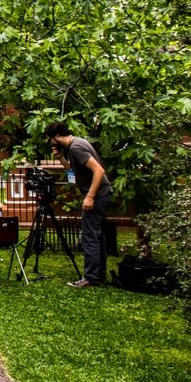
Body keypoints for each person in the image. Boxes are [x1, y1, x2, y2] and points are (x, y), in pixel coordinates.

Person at [44, 121, 112, 288]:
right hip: (103, 194)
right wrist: (61, 158)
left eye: (51, 139)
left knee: (90, 236)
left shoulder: (76, 148)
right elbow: (73, 172)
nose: (51, 142)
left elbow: (99, 171)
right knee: (97, 236)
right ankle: (98, 275)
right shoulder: (77, 143)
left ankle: (90, 278)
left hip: (97, 196)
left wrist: (89, 196)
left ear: (57, 136)